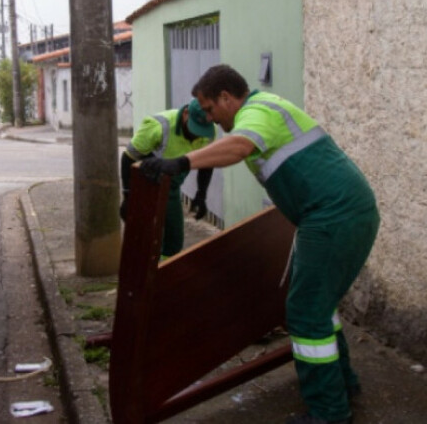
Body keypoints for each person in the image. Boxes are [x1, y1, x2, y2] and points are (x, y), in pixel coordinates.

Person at [140, 64, 379, 424]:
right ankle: (342, 386)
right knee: (318, 306)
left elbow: (237, 147)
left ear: (226, 97)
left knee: (305, 312)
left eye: (209, 108)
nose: (209, 118)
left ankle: (329, 413)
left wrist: (181, 162)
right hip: (340, 214)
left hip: (333, 217)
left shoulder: (258, 111)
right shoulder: (264, 108)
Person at [121, 99, 215, 259]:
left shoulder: (207, 133)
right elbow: (128, 158)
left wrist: (201, 194)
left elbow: (207, 163)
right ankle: (144, 276)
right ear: (185, 113)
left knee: (174, 241)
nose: (197, 135)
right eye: (194, 129)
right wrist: (128, 195)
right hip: (146, 187)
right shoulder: (158, 126)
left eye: (201, 131)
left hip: (170, 188)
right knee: (146, 239)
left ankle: (162, 274)